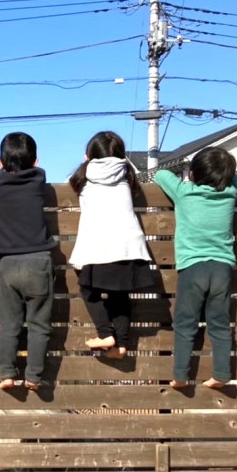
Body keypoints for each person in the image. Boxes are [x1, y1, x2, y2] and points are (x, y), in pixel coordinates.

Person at [155, 147, 237, 389]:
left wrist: (187, 177)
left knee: (185, 323)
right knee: (220, 324)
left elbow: (160, 175)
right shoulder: (231, 192)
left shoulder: (184, 192)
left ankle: (181, 375)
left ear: (192, 174)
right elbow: (234, 178)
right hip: (222, 267)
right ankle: (221, 373)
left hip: (192, 268)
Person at [0, 132, 56, 391]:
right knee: (39, 325)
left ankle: (7, 374)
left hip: (8, 263)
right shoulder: (39, 178)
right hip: (39, 260)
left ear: (0, 162)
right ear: (36, 161)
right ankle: (33, 376)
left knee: (9, 323)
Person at [68, 132, 154, 359]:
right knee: (120, 295)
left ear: (88, 156)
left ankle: (105, 333)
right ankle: (121, 345)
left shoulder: (83, 178)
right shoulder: (127, 175)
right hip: (128, 246)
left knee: (88, 289)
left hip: (99, 246)